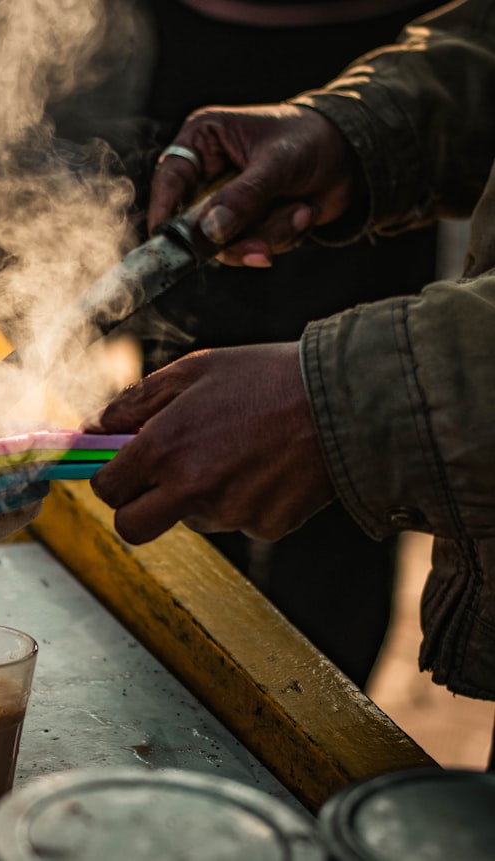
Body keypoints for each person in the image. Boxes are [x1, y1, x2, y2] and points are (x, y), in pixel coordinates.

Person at [85, 0, 495, 705]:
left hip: (361, 25)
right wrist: (357, 129)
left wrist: (341, 405)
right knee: (186, 456)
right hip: (249, 57)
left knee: (326, 530)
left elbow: (346, 424)